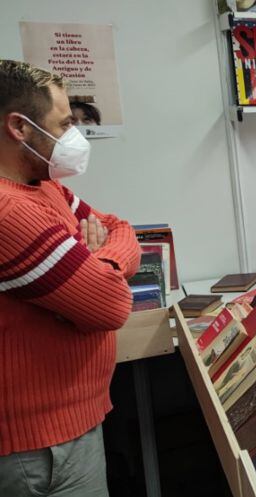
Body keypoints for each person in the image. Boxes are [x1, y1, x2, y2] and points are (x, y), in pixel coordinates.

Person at [0, 60, 140, 496]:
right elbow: (110, 306)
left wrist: (97, 261)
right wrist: (101, 270)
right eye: (63, 124)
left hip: (69, 425)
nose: (73, 137)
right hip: (39, 448)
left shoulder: (43, 186)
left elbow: (121, 228)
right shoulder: (10, 213)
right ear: (19, 127)